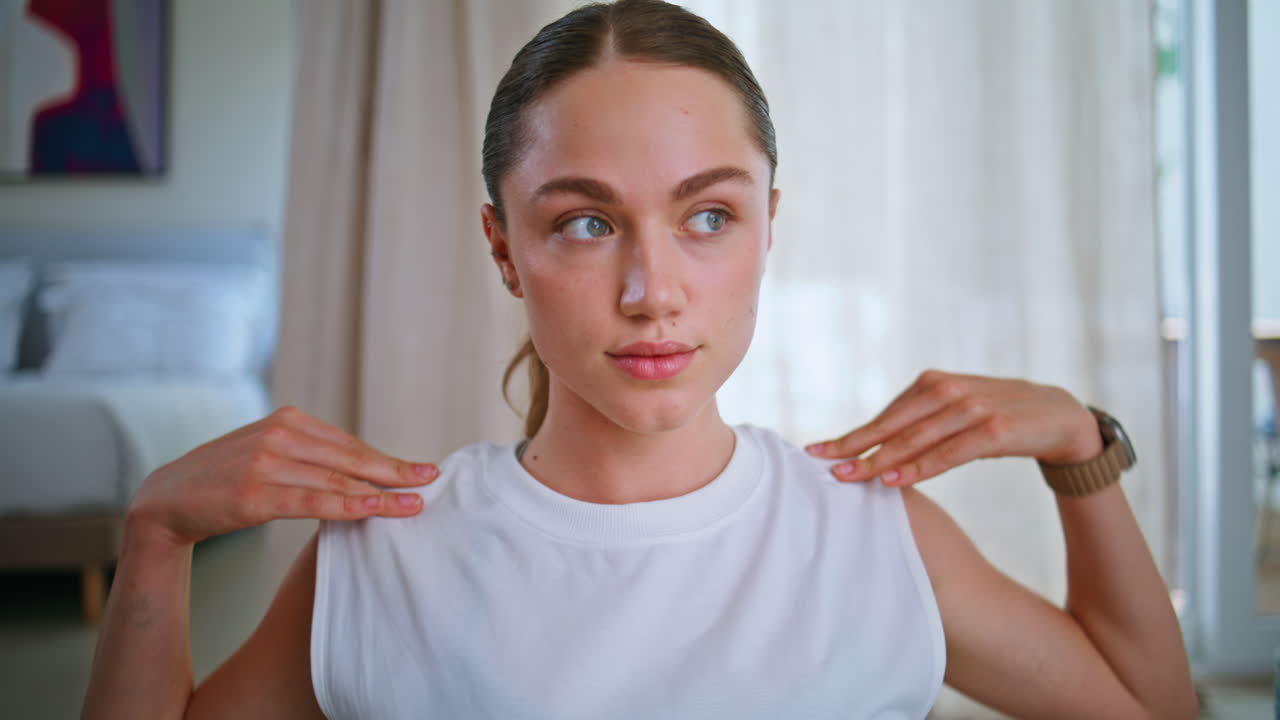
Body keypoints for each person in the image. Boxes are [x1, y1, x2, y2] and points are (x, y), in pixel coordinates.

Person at [82, 1, 1198, 718]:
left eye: (707, 217)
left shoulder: (869, 531)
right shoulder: (386, 552)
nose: (651, 291)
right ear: (503, 249)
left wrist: (1080, 447)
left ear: (768, 225)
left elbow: (1151, 709)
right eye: (584, 221)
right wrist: (155, 539)